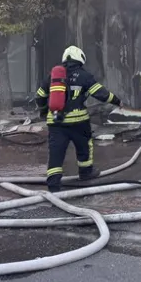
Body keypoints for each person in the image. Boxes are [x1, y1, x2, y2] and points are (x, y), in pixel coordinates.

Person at [35, 45, 122, 193]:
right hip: (78, 122)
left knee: (56, 153)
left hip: (56, 122)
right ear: (80, 59)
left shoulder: (53, 76)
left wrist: (44, 111)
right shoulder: (84, 76)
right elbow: (102, 94)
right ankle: (85, 173)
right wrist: (117, 101)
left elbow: (40, 96)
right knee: (84, 146)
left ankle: (54, 184)